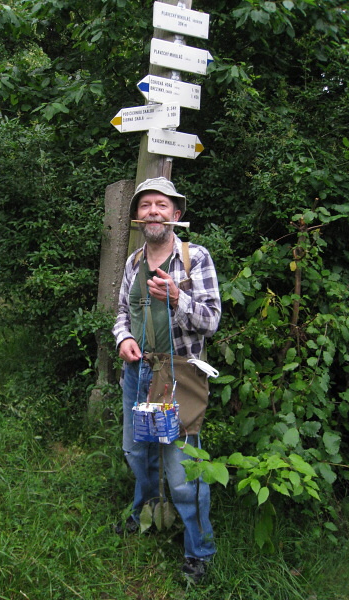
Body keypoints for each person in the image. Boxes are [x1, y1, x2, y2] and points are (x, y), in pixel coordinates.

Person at [112, 177, 221, 582]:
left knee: (182, 471)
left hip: (177, 376)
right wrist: (123, 338)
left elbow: (211, 321)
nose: (153, 211)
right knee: (137, 452)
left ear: (175, 215)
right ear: (137, 216)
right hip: (137, 373)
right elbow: (122, 313)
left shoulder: (195, 258)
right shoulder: (133, 262)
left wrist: (177, 297)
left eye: (161, 204)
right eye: (145, 205)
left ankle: (199, 551)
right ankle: (145, 512)